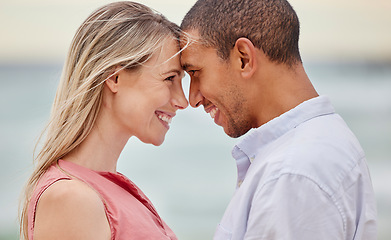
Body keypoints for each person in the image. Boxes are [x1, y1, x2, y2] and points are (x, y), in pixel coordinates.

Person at [180, 0, 377, 239]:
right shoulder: (317, 145)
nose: (193, 98)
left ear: (243, 58)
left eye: (195, 72)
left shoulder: (293, 174)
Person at [19, 2, 188, 239]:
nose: (183, 100)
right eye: (170, 78)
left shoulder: (109, 191)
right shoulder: (71, 199)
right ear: (115, 77)